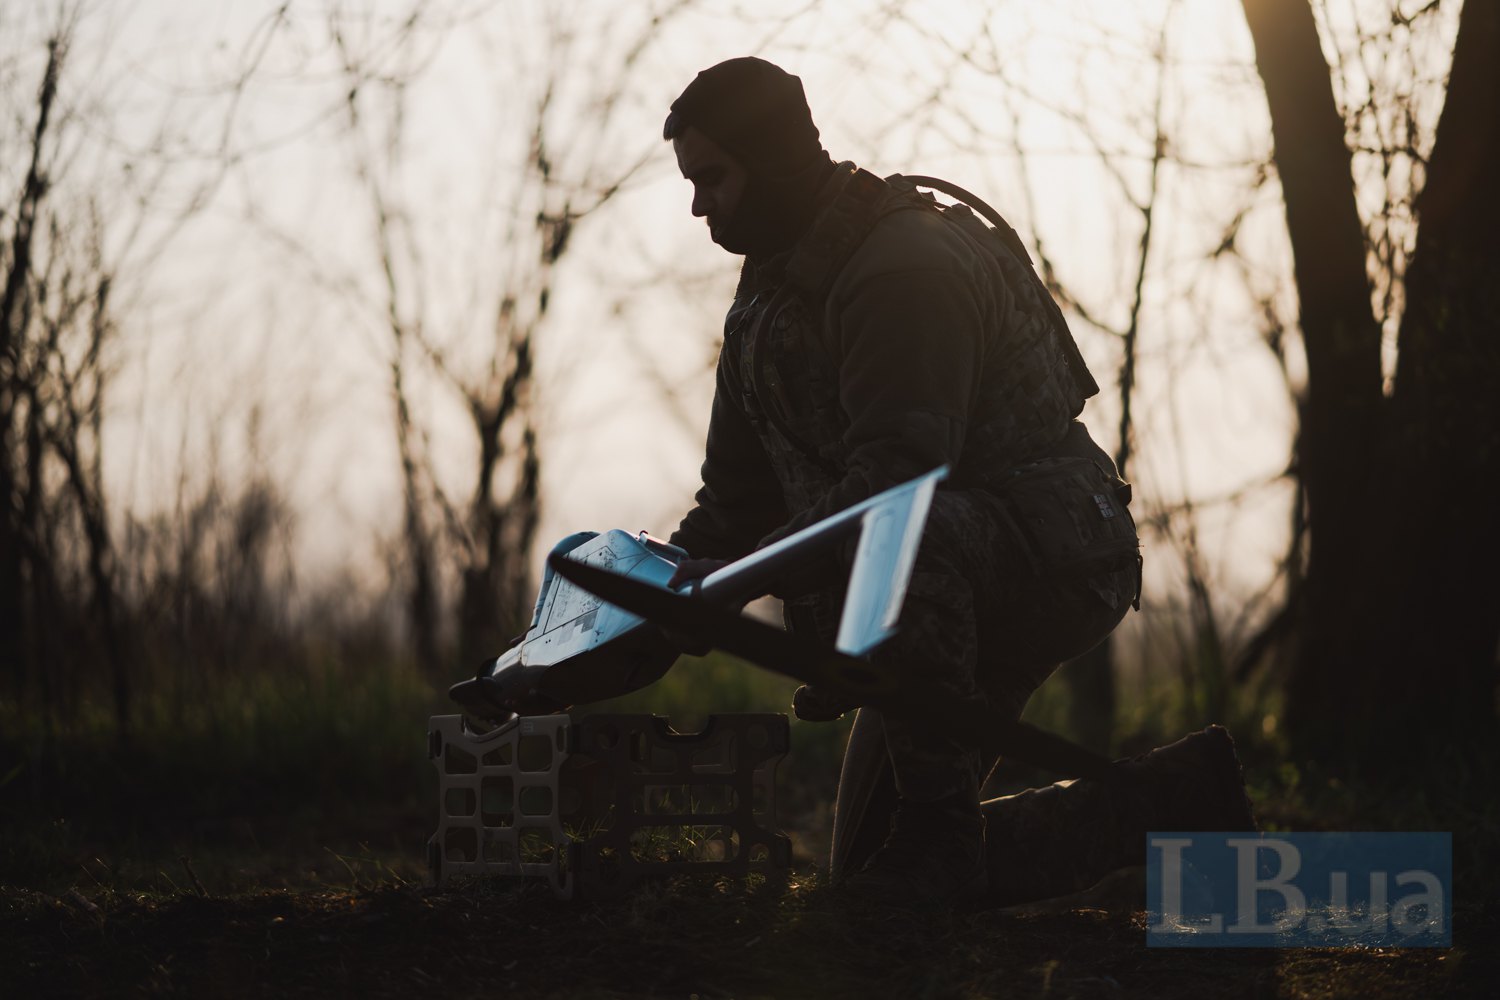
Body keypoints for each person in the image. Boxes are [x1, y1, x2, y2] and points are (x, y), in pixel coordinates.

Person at [661, 57, 1146, 906]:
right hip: (932, 575)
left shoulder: (900, 268)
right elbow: (730, 509)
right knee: (865, 873)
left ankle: (942, 842)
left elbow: (895, 492)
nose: (698, 204)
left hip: (1046, 560)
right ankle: (1156, 824)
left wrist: (738, 587)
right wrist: (646, 608)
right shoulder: (766, 299)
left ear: (769, 162)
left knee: (920, 843)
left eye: (712, 177)